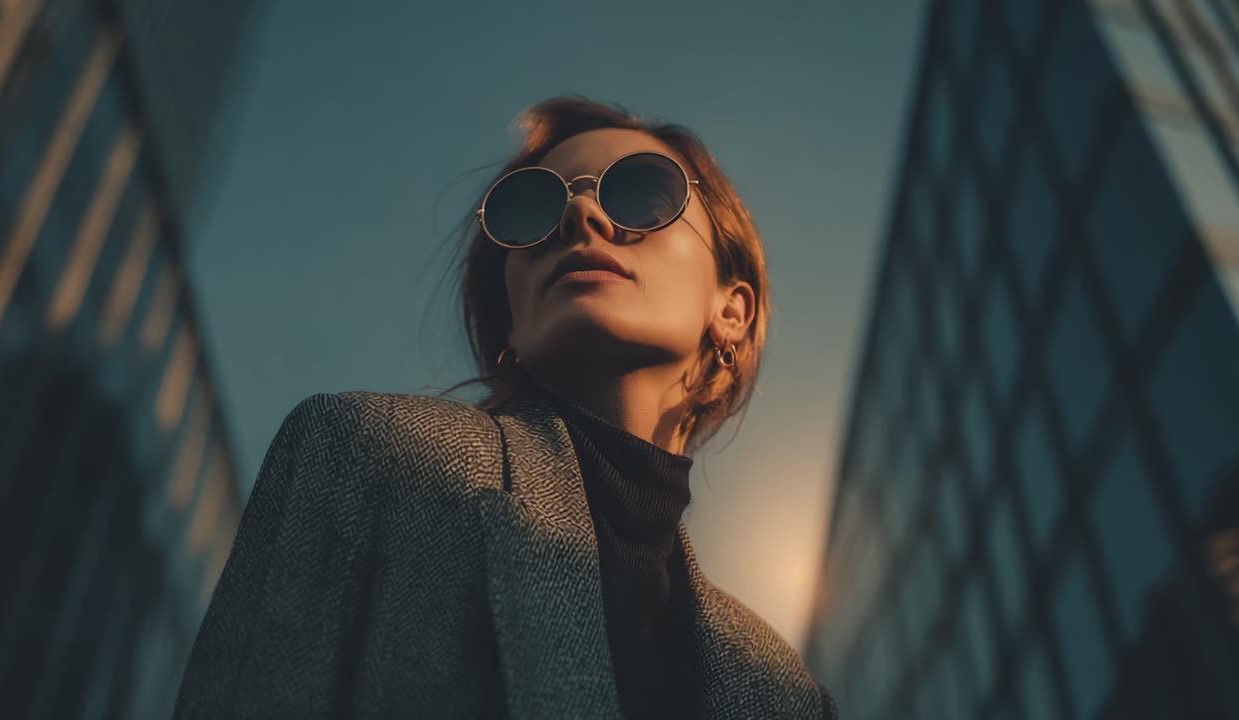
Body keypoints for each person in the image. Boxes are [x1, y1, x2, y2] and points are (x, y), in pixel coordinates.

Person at [173, 95, 837, 719]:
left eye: (641, 192)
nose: (581, 218)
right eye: (531, 210)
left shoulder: (783, 687)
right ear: (511, 315)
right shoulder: (361, 454)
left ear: (731, 308)